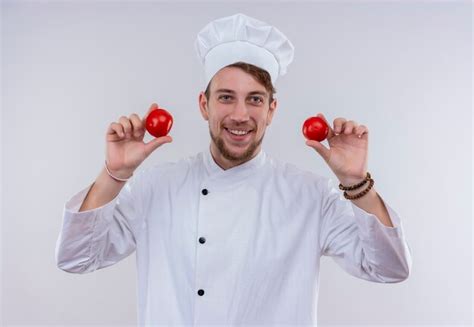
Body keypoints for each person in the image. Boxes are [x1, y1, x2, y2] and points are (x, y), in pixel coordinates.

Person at [55, 13, 412, 326]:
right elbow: (75, 258)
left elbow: (389, 269)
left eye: (255, 99)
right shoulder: (155, 187)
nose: (240, 115)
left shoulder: (311, 195)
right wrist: (114, 175)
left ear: (272, 109)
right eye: (226, 97)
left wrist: (355, 182)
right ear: (204, 105)